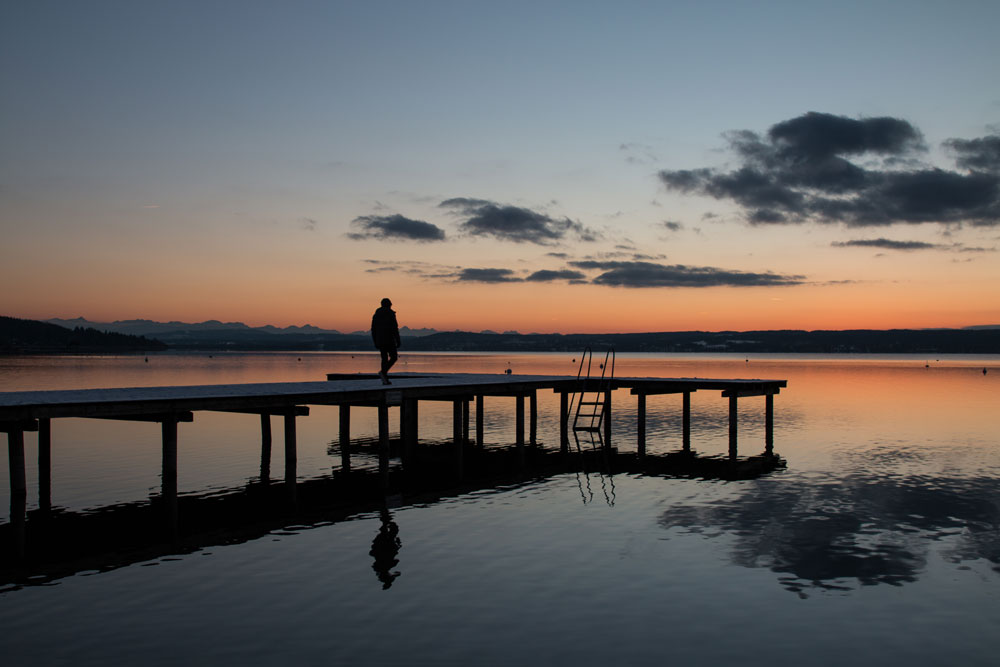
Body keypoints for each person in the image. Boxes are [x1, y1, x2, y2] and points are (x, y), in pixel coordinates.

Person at [371, 297, 401, 384]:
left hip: (380, 340)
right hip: (389, 339)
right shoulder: (390, 314)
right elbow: (394, 328)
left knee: (384, 358)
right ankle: (383, 373)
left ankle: (384, 379)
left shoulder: (376, 315)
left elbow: (373, 330)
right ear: (389, 305)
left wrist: (375, 341)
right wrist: (398, 340)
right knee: (394, 357)